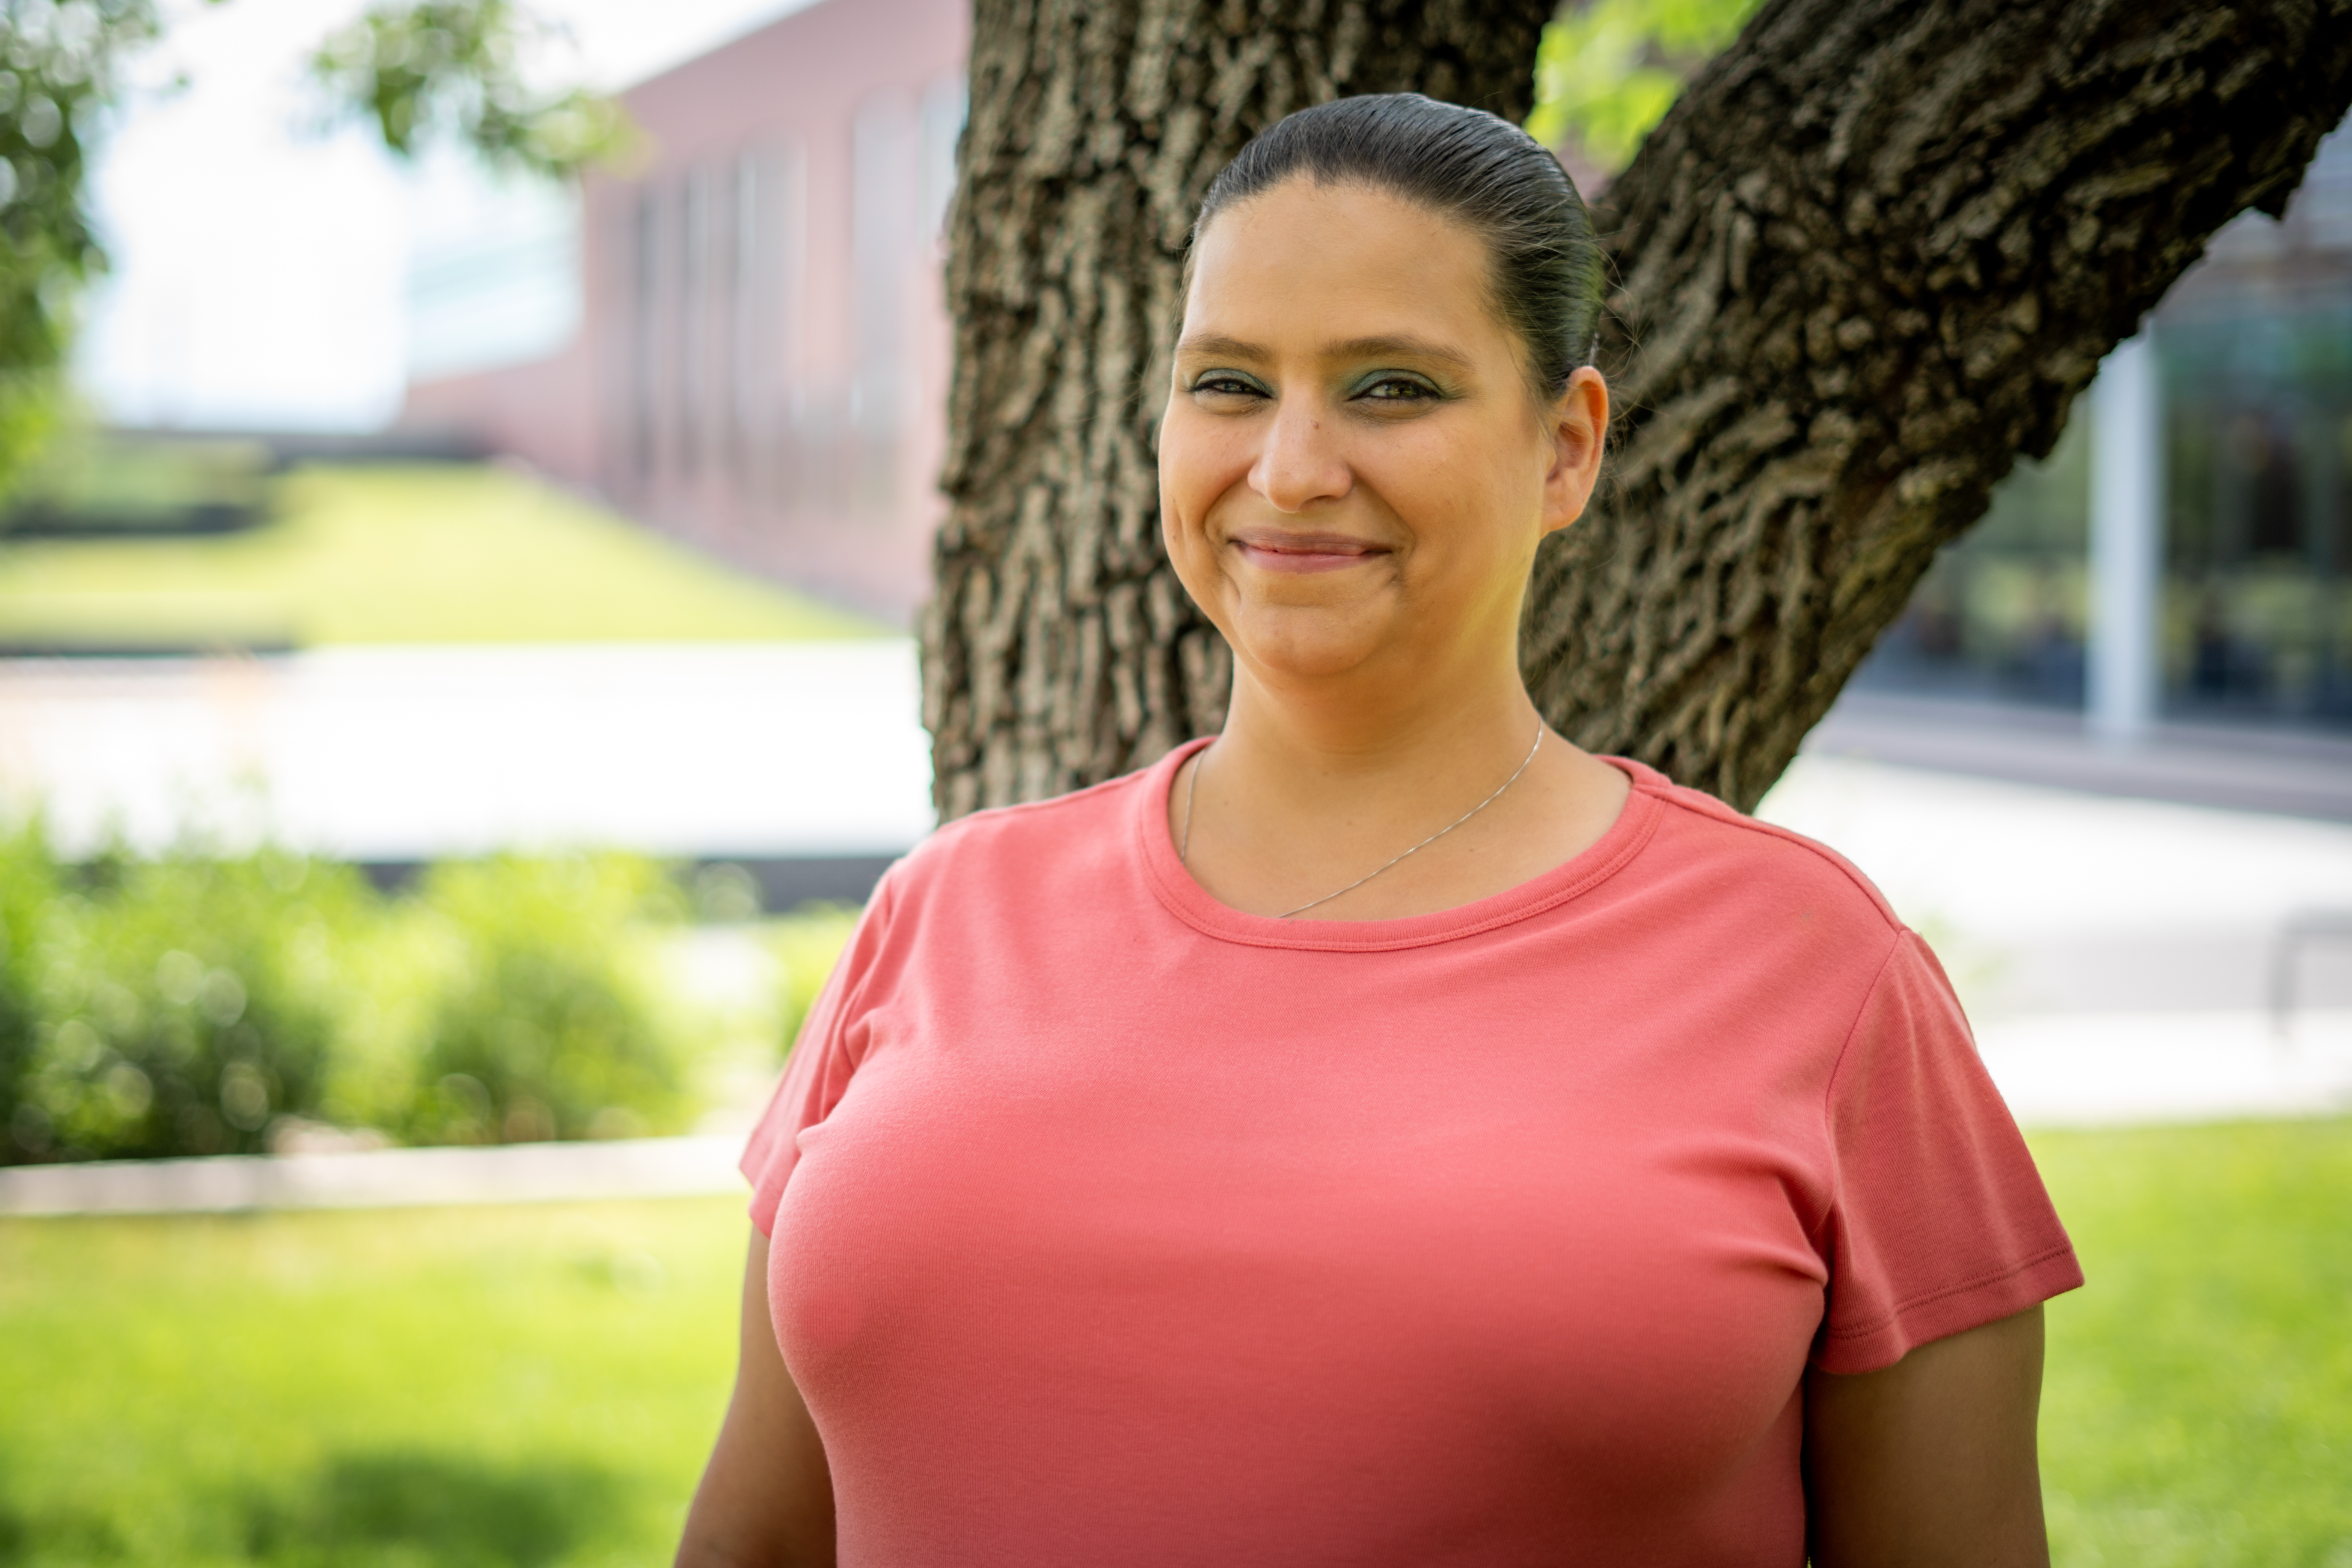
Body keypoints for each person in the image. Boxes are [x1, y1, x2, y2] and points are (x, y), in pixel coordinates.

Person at [676, 93, 2081, 1568]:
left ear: (1567, 450)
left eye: (1393, 387)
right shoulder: (945, 910)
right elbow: (758, 1537)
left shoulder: (1818, 975)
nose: (1288, 469)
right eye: (1228, 382)